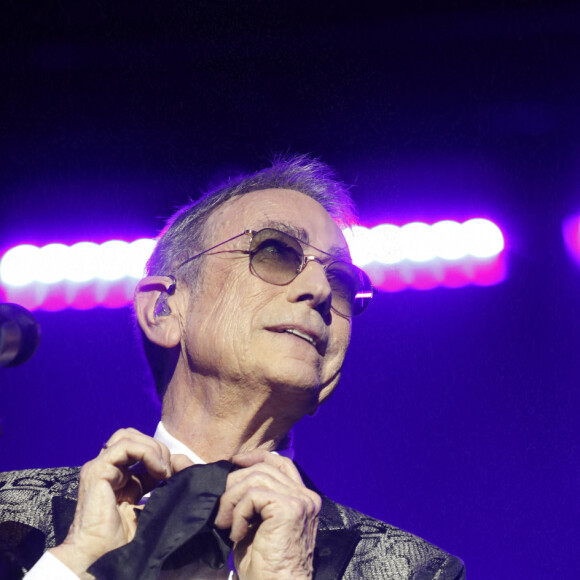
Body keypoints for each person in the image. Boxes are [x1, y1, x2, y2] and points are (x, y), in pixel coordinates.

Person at [0, 155, 465, 579]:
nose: (321, 291)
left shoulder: (416, 571)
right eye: (275, 252)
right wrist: (73, 565)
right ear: (164, 309)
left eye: (341, 280)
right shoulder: (10, 518)